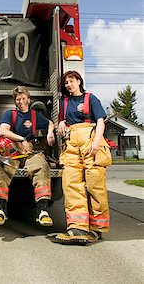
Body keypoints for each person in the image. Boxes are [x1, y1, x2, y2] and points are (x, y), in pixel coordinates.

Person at [55, 70, 111, 245]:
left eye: (71, 81)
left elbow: (101, 121)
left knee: (95, 185)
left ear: (79, 81)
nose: (69, 85)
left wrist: (96, 142)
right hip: (71, 144)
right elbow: (62, 121)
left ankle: (96, 228)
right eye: (66, 83)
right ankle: (77, 228)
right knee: (71, 183)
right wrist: (61, 123)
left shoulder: (90, 98)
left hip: (90, 141)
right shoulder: (64, 102)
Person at [0, 85, 55, 227]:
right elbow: (3, 131)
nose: (20, 101)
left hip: (29, 152)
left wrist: (50, 132)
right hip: (12, 150)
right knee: (1, 167)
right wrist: (22, 139)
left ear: (28, 100)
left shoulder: (34, 115)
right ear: (15, 101)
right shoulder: (10, 114)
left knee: (42, 166)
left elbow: (50, 123)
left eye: (23, 98)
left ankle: (42, 211)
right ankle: (0, 209)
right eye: (18, 99)